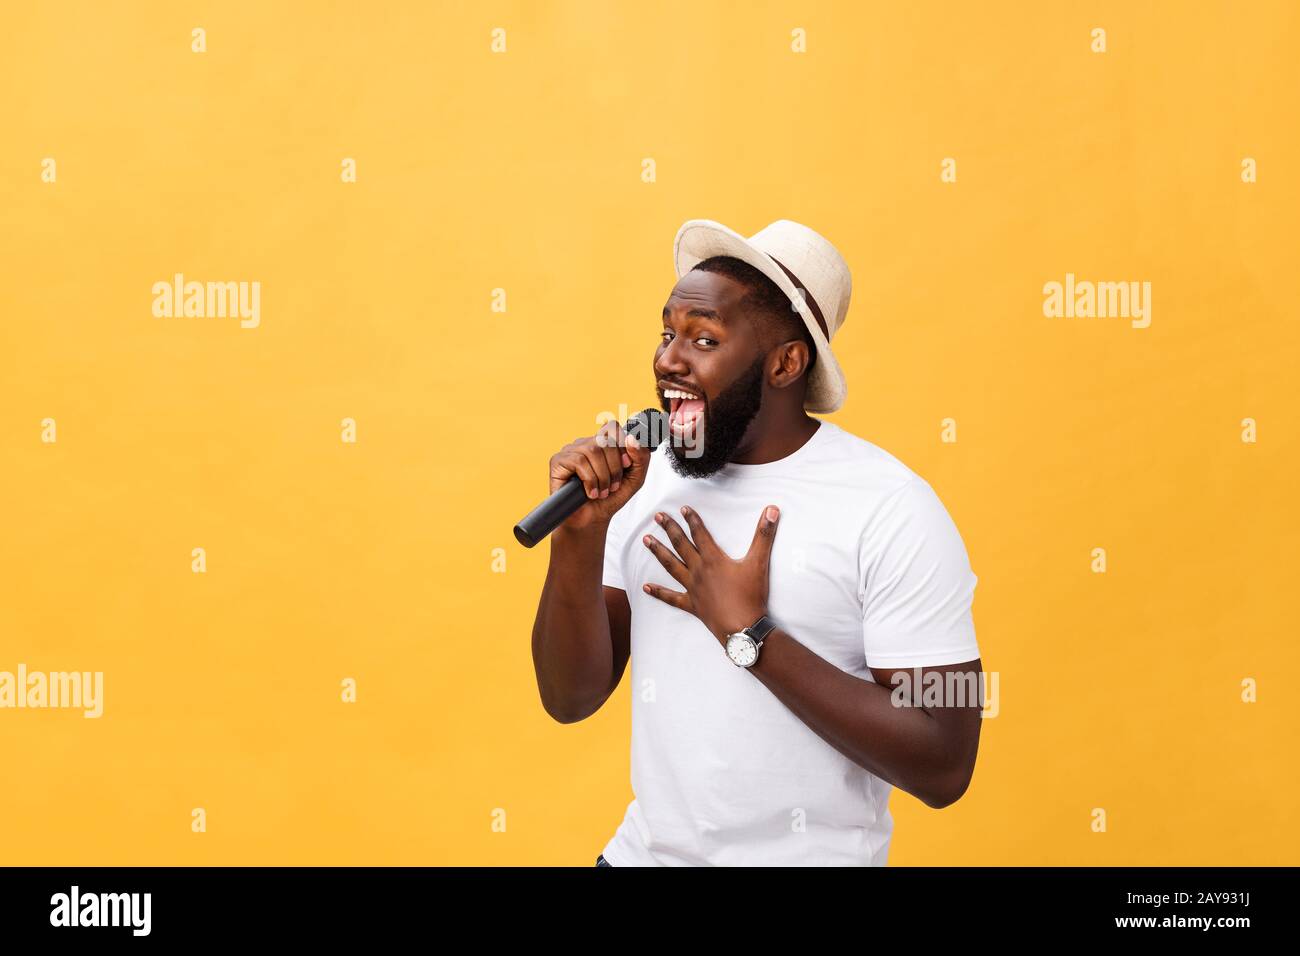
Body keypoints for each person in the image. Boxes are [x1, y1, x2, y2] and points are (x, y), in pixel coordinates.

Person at [531, 219, 984, 866]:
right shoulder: (643, 482)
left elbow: (944, 763)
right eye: (667, 334)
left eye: (704, 338)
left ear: (784, 362)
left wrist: (751, 635)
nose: (668, 360)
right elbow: (569, 699)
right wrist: (579, 539)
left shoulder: (890, 508)